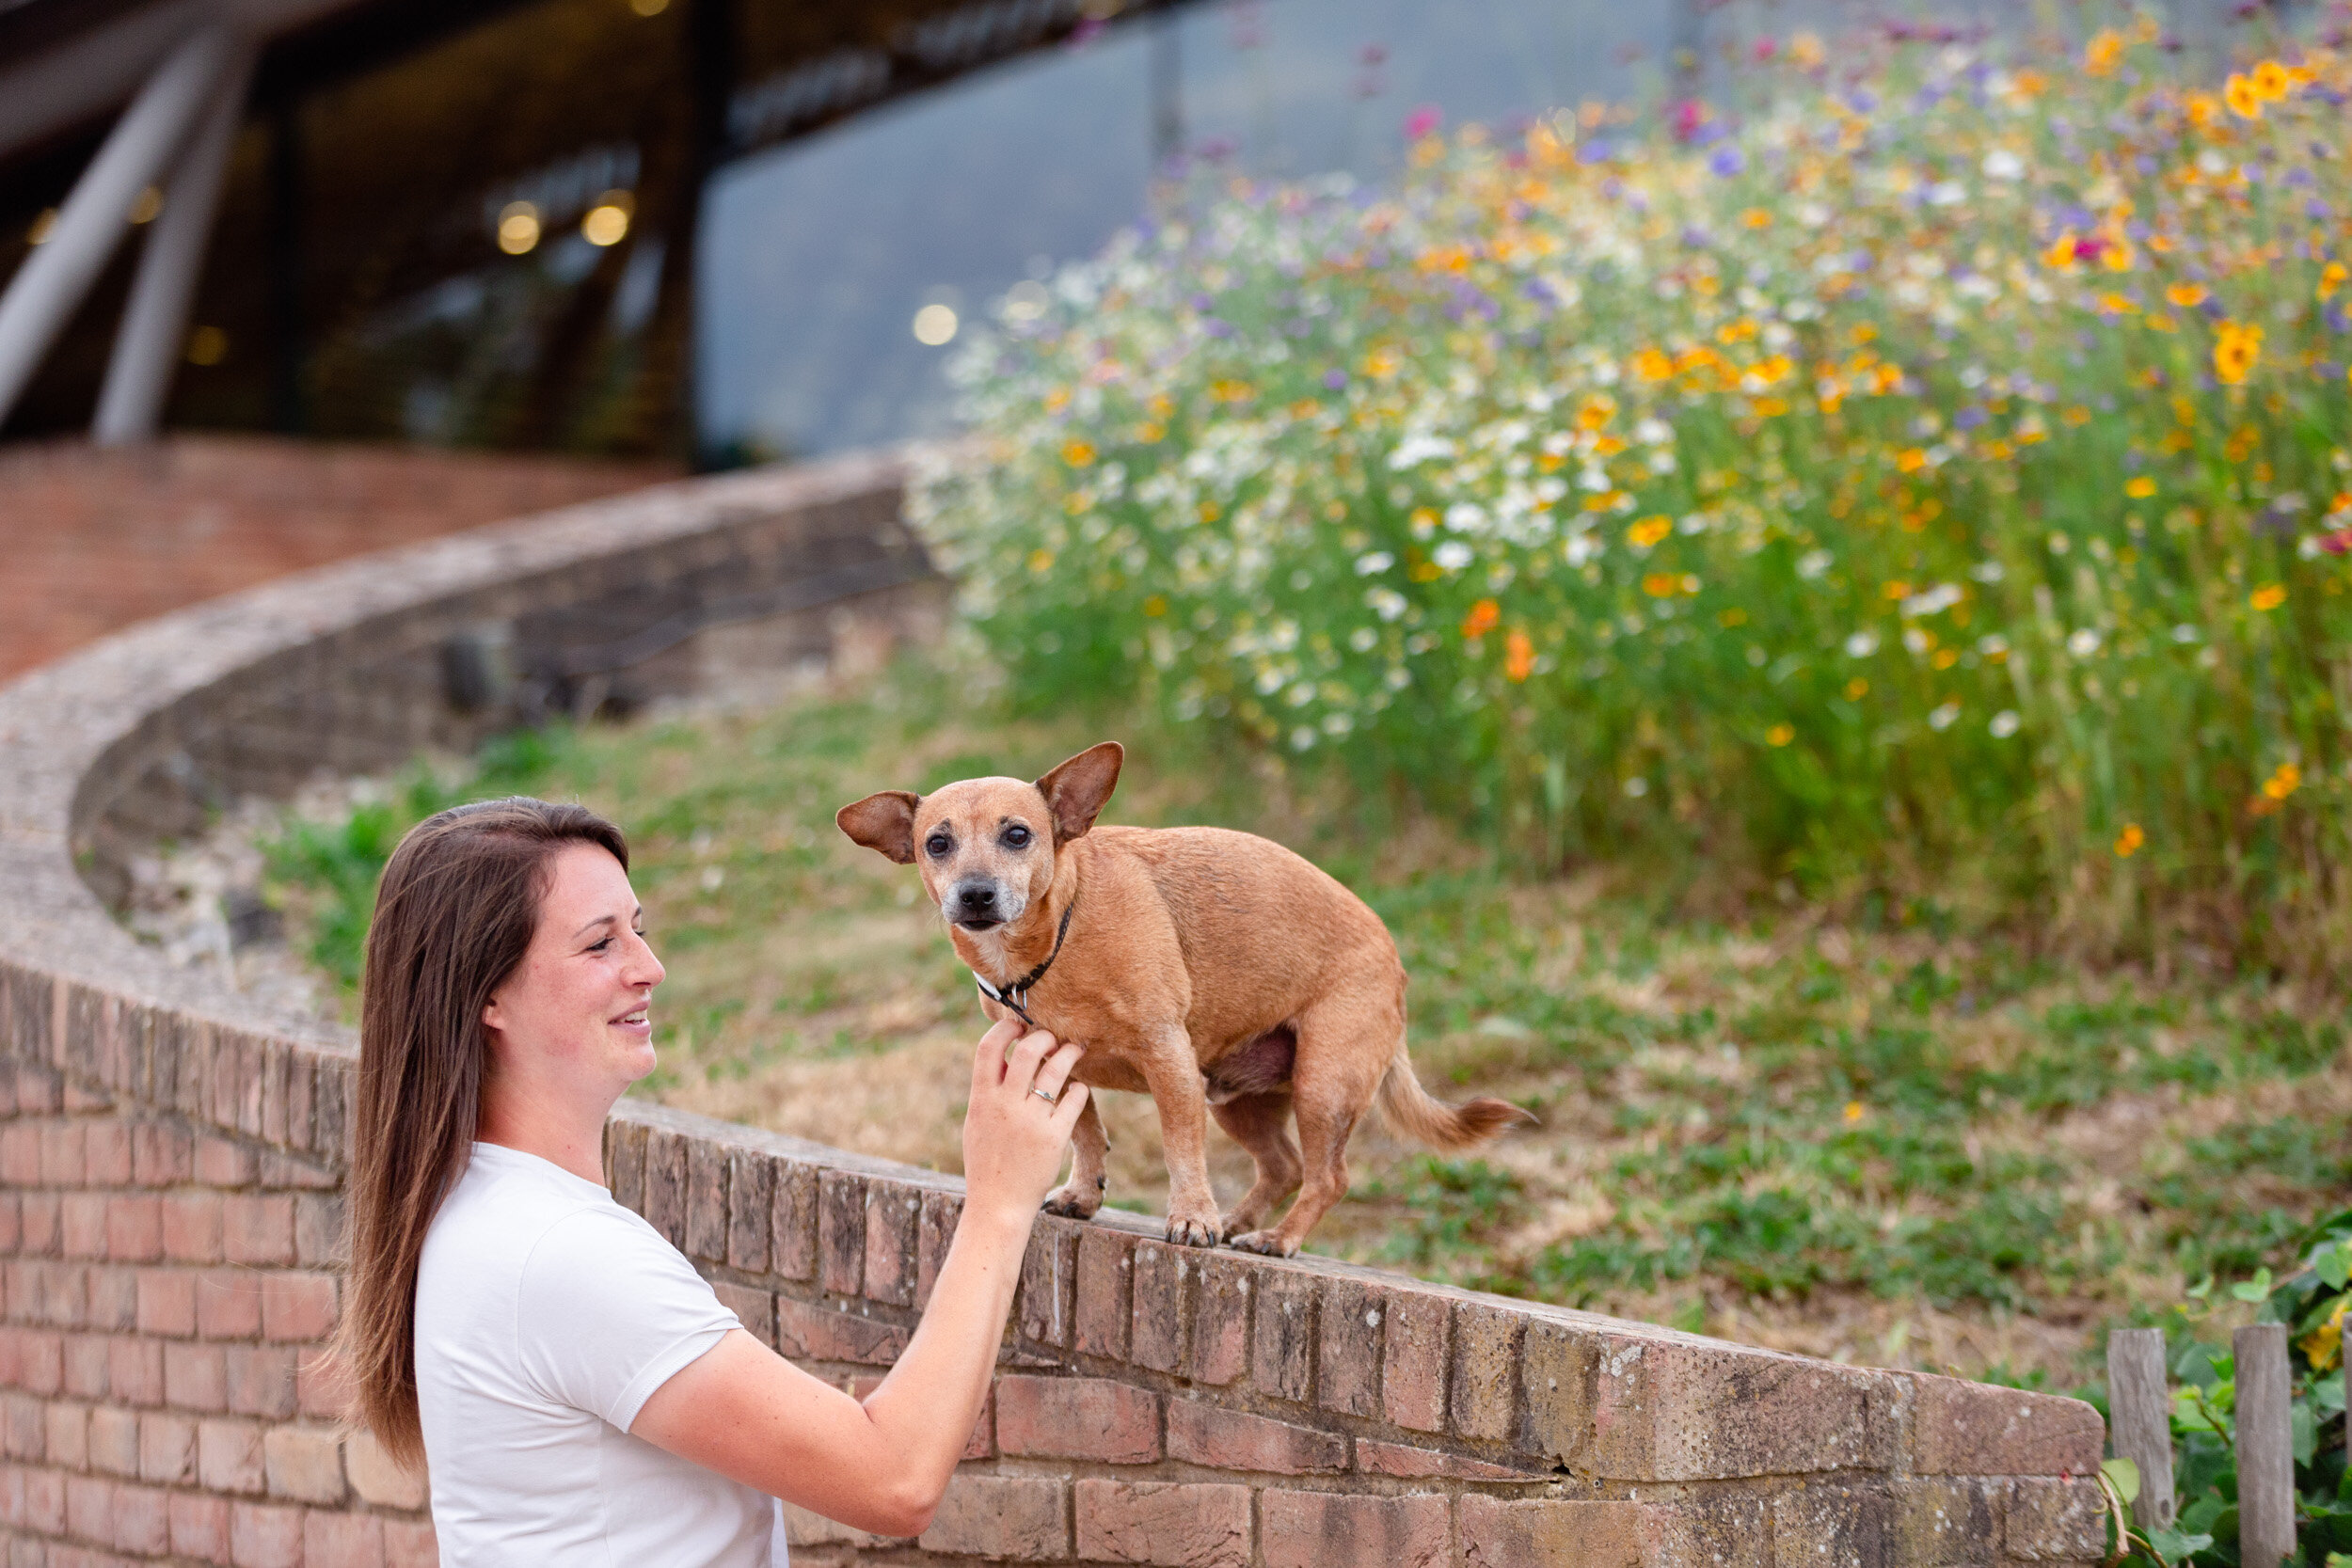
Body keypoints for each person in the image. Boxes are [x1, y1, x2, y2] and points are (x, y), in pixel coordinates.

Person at [334, 796, 1088, 1564]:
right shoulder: (560, 1255)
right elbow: (893, 1477)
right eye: (600, 944)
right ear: (486, 993)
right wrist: (998, 1201)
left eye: (640, 928)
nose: (649, 967)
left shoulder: (479, 1207)